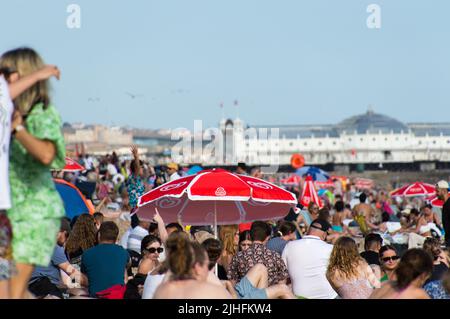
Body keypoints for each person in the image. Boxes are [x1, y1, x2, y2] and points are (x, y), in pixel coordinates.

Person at [1, 48, 66, 299]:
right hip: (8, 212)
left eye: (6, 72)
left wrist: (18, 128)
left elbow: (47, 154)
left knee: (11, 292)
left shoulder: (41, 113)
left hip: (32, 214)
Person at [153, 232, 231, 299]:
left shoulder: (162, 289)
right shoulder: (213, 291)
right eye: (206, 265)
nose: (208, 270)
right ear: (197, 266)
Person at [282, 219, 338, 299]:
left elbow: (283, 275)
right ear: (324, 234)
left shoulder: (289, 246)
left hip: (299, 296)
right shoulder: (331, 249)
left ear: (309, 230)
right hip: (328, 296)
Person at [228, 221, 289, 286]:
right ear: (267, 238)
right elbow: (282, 281)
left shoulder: (238, 256)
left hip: (245, 294)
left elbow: (232, 280)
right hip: (269, 294)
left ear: (251, 236)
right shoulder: (275, 256)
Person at [28, 218, 76, 299]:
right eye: (67, 235)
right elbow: (72, 272)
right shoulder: (54, 247)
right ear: (61, 232)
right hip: (45, 289)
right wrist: (87, 281)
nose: (67, 240)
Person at [80, 221, 130, 298]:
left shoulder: (87, 254)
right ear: (116, 238)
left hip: (96, 296)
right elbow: (128, 265)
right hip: (118, 296)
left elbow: (84, 279)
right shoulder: (123, 252)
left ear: (99, 235)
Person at [126, 145, 146, 210]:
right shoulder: (134, 176)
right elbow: (137, 167)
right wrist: (136, 157)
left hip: (138, 206)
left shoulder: (137, 178)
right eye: (142, 167)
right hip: (135, 206)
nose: (143, 169)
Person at [435, 180, 450, 247]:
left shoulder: (448, 204)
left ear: (444, 191)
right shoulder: (445, 205)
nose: (436, 194)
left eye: (437, 191)